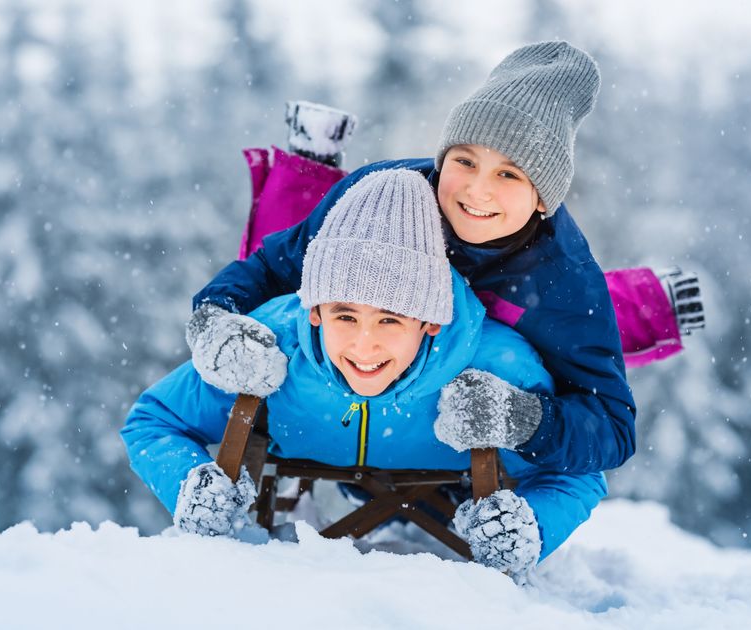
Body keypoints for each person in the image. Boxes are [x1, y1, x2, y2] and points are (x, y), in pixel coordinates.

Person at [189, 41, 649, 473]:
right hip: (359, 400)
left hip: (454, 440)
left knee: (582, 340)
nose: (477, 189)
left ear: (543, 198)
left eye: (509, 174)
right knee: (293, 246)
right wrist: (214, 317)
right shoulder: (381, 195)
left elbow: (612, 427)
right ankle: (307, 169)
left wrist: (522, 419)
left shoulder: (562, 276)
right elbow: (273, 266)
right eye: (465, 161)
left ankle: (649, 303)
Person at [122, 169, 607, 576]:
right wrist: (189, 483)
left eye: (391, 320)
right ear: (313, 311)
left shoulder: (495, 369)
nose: (364, 344)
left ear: (430, 321)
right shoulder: (271, 351)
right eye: (345, 315)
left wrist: (531, 529)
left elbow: (580, 473)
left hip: (448, 480)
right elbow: (152, 419)